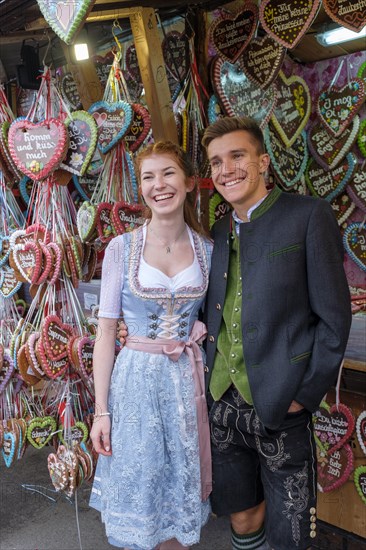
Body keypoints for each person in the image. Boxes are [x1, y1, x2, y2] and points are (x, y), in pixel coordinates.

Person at [201, 116, 352, 550]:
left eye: (237, 156)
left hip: (281, 407)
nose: (226, 169)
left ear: (263, 161)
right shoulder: (220, 230)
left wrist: (303, 396)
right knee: (243, 517)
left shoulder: (308, 215)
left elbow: (334, 318)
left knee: (290, 533)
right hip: (223, 406)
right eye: (215, 162)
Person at [90, 141, 213, 550]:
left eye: (168, 173)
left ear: (189, 182)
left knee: (175, 504)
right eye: (148, 177)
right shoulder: (121, 249)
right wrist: (101, 410)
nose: (158, 185)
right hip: (136, 387)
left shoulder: (208, 251)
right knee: (142, 498)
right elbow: (107, 334)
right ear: (140, 187)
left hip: (186, 385)